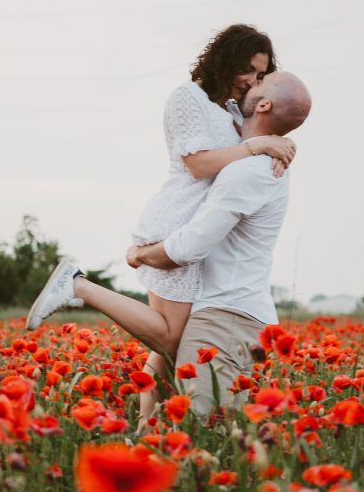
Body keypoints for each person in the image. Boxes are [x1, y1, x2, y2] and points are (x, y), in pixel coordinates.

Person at [26, 25, 295, 425]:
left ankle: (141, 426)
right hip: (175, 222)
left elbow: (265, 126)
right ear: (227, 58)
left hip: (197, 229)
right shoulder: (187, 97)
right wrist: (258, 145)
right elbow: (198, 163)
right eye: (249, 71)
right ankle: (78, 284)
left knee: (169, 346)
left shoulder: (232, 111)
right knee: (170, 337)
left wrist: (283, 140)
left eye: (260, 76)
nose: (252, 82)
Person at [126, 71, 312, 418]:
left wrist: (139, 254)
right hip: (225, 313)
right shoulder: (248, 154)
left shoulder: (250, 171)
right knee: (195, 420)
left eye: (257, 82)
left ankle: (79, 287)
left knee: (201, 428)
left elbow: (189, 247)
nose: (245, 85)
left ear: (264, 104)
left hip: (226, 319)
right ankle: (144, 430)